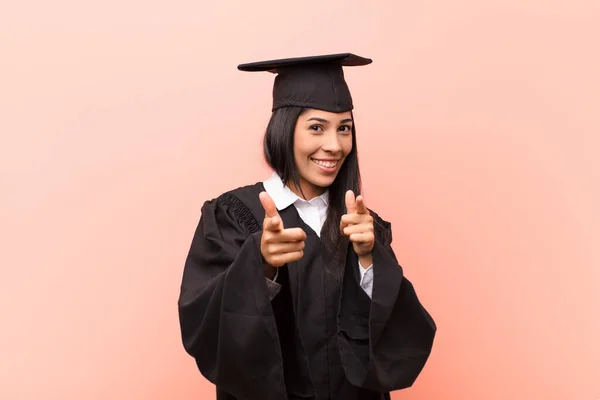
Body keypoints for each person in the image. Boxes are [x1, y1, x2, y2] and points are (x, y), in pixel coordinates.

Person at [177, 53, 436, 400]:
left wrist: (369, 261)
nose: (334, 145)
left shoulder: (360, 225)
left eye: (344, 128)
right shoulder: (234, 216)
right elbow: (205, 327)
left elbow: (399, 336)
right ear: (285, 130)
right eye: (317, 127)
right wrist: (261, 264)